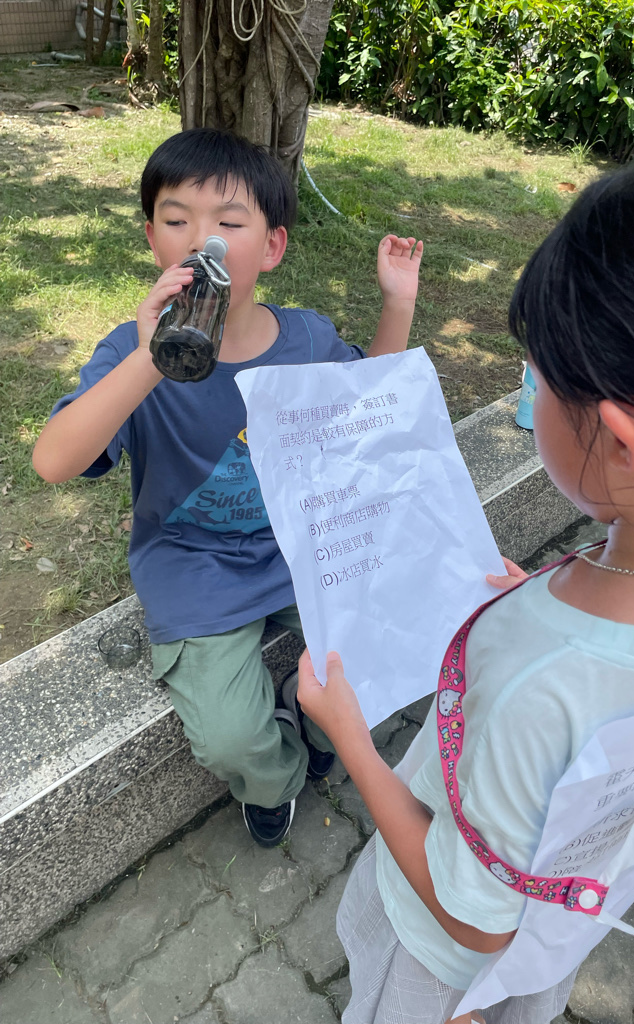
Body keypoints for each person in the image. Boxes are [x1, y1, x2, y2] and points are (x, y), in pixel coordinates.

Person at [295, 129, 634, 1024]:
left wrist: (351, 737)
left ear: (620, 440)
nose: (532, 393)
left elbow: (472, 922)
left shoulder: (534, 684)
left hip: (442, 972)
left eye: (537, 380)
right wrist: (545, 600)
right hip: (563, 928)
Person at [32, 127, 423, 849]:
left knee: (381, 644)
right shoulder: (128, 353)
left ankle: (316, 720)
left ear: (272, 247)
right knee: (229, 738)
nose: (201, 241)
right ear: (152, 239)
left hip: (298, 545)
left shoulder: (305, 340)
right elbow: (54, 462)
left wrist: (396, 304)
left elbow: (365, 411)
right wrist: (151, 359)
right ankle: (276, 778)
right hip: (194, 567)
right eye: (177, 220)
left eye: (229, 224)